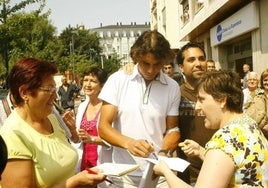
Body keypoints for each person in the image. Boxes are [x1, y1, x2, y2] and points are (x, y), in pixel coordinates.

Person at [0, 58, 106, 187]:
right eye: (49, 90)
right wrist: (74, 182)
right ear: (24, 92)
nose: (55, 96)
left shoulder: (50, 118)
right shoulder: (13, 135)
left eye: (54, 89)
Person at [153, 70, 268, 187]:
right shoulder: (248, 124)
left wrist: (165, 171)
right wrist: (202, 152)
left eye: (201, 99)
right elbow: (234, 162)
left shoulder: (224, 141)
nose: (197, 107)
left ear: (222, 100)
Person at [98, 30, 181, 187]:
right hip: (123, 175)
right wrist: (129, 143)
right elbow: (103, 127)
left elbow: (172, 129)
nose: (151, 70)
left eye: (157, 64)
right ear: (136, 57)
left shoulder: (172, 87)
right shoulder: (117, 80)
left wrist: (164, 152)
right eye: (145, 63)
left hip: (158, 174)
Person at [176, 42, 216, 185]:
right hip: (189, 176)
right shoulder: (175, 95)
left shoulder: (219, 92)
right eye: (191, 60)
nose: (198, 63)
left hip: (218, 170)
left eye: (202, 58)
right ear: (181, 66)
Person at [246, 69, 268, 139]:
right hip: (260, 133)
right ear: (261, 81)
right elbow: (248, 112)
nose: (267, 82)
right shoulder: (255, 93)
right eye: (265, 80)